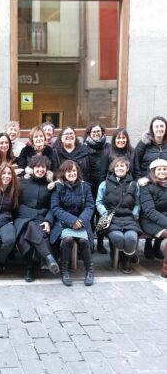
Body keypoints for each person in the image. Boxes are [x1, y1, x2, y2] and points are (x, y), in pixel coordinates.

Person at [15, 155, 59, 282]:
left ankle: (30, 267)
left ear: (47, 169)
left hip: (42, 219)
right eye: (38, 167)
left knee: (31, 232)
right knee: (29, 225)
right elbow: (17, 204)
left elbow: (52, 207)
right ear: (32, 168)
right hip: (22, 219)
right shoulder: (22, 182)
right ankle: (48, 257)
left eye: (43, 167)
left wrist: (48, 221)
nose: (40, 170)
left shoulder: (49, 186)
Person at [50, 160, 95, 287]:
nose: (72, 173)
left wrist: (80, 220)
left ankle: (89, 271)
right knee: (68, 239)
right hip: (64, 223)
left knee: (83, 241)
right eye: (69, 171)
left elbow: (90, 206)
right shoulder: (58, 187)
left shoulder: (85, 186)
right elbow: (56, 208)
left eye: (74, 171)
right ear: (64, 173)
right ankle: (64, 271)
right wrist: (72, 221)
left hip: (82, 222)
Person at [96, 157, 142, 274]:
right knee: (118, 238)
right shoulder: (104, 184)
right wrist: (104, 212)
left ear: (127, 168)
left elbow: (137, 203)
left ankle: (126, 261)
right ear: (113, 168)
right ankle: (126, 256)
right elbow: (99, 202)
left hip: (128, 218)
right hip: (112, 218)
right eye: (117, 166)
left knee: (131, 238)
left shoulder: (134, 184)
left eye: (123, 166)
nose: (120, 168)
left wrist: (134, 214)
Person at [135, 116, 167, 259]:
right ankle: (148, 244)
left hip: (164, 182)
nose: (159, 129)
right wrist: (140, 180)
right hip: (148, 182)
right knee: (150, 210)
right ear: (152, 129)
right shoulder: (144, 144)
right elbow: (135, 161)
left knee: (163, 209)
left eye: (162, 126)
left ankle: (156, 246)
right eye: (156, 126)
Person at [83, 123, 111, 254]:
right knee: (90, 215)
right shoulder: (84, 147)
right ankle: (90, 242)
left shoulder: (108, 147)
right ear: (89, 133)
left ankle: (100, 242)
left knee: (102, 216)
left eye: (98, 131)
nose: (96, 133)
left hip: (103, 187)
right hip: (89, 186)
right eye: (93, 131)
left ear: (102, 132)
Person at [139, 159, 167, 277]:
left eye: (164, 169)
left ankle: (157, 249)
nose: (162, 171)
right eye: (159, 169)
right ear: (153, 171)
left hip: (163, 218)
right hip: (148, 220)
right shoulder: (146, 186)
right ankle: (165, 269)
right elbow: (149, 211)